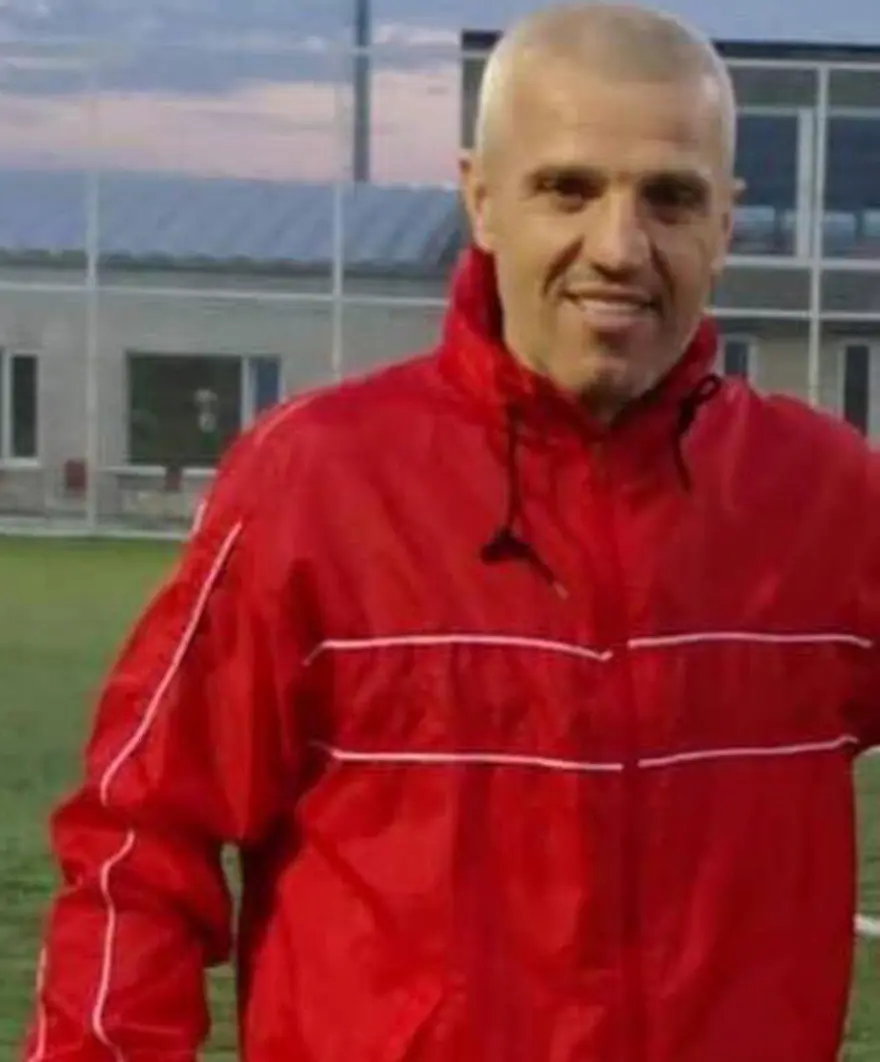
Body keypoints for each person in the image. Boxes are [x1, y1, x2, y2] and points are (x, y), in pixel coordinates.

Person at [21, 4, 880, 1061]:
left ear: (726, 223)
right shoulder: (314, 484)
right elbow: (141, 843)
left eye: (670, 198)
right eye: (567, 188)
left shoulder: (829, 498)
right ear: (481, 200)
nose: (619, 247)